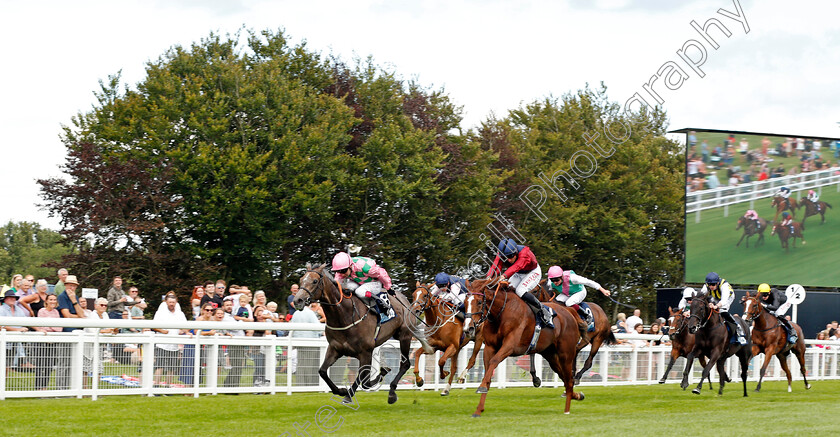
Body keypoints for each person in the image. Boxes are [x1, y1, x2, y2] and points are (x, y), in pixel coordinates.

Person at [486, 238, 551, 327]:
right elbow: (496, 265)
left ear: (516, 252)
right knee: (508, 290)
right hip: (519, 273)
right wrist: (489, 278)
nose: (508, 260)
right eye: (506, 257)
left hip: (532, 272)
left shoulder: (525, 254)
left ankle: (543, 309)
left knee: (520, 291)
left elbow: (516, 267)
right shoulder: (502, 253)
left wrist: (503, 276)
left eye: (511, 256)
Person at [545, 265, 611, 334]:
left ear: (562, 276)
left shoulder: (573, 278)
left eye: (557, 280)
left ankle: (586, 315)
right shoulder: (550, 283)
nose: (555, 282)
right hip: (567, 293)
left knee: (569, 303)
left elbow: (589, 282)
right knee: (556, 302)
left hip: (579, 291)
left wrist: (603, 290)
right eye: (553, 280)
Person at [331, 251, 395, 320]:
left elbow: (382, 273)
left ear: (350, 266)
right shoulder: (343, 268)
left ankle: (378, 299)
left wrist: (388, 288)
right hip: (360, 283)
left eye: (343, 271)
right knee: (347, 287)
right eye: (338, 271)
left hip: (374, 283)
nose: (342, 274)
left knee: (359, 291)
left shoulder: (366, 268)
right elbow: (337, 283)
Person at [698, 272, 746, 345]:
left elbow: (724, 300)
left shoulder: (724, 286)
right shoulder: (706, 286)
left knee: (722, 311)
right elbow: (700, 296)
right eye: (709, 284)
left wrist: (716, 306)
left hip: (727, 298)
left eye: (713, 284)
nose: (711, 286)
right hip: (715, 297)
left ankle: (739, 331)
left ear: (717, 283)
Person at [152, 294, 188, 386]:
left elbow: (185, 327)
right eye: (170, 302)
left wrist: (183, 331)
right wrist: (162, 331)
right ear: (166, 302)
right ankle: (156, 386)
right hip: (162, 344)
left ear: (176, 303)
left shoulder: (180, 314)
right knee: (160, 366)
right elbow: (154, 326)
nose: (171, 304)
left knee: (171, 368)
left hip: (174, 345)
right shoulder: (160, 313)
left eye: (173, 302)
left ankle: (168, 386)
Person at [34, 294, 62, 389]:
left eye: (54, 299)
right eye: (50, 299)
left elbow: (59, 328)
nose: (53, 301)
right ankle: (38, 388)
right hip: (42, 342)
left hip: (52, 342)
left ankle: (44, 387)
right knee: (41, 365)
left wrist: (50, 326)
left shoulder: (56, 312)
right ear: (46, 301)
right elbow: (42, 326)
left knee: (49, 366)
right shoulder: (42, 311)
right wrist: (52, 326)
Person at [1, 288, 31, 374]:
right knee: (3, 365)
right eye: (10, 297)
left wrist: (40, 328)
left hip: (13, 342)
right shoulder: (1, 309)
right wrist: (17, 330)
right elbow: (1, 326)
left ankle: (2, 385)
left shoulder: (18, 309)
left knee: (6, 366)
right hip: (3, 341)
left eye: (13, 297)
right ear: (5, 299)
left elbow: (27, 321)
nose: (12, 299)